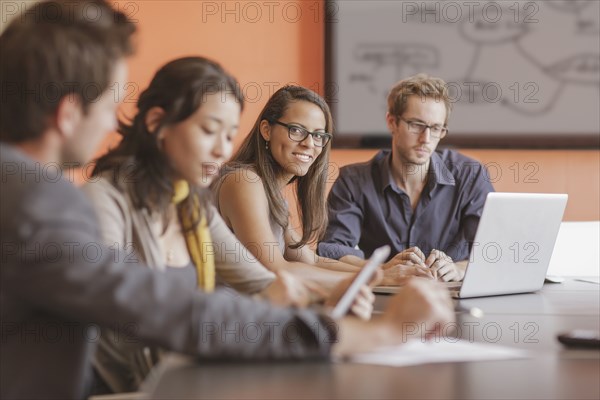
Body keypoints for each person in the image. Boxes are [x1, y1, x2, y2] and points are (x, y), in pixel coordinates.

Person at [0, 2, 454, 399]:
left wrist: (327, 296)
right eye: (106, 105)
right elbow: (161, 310)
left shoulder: (182, 203)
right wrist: (371, 332)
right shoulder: (42, 202)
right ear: (67, 113)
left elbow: (263, 281)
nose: (110, 123)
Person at [82, 56, 375, 393]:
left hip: (183, 377)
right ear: (156, 122)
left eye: (230, 134)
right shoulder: (103, 199)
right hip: (125, 388)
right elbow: (118, 304)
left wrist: (324, 297)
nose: (222, 150)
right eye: (209, 131)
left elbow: (263, 281)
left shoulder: (192, 206)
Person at [213, 86, 426, 288]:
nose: (309, 144)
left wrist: (381, 269)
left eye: (318, 135)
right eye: (296, 130)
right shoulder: (243, 182)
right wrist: (378, 278)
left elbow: (311, 260)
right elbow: (277, 270)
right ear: (267, 130)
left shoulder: (273, 195)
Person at [317, 74, 495, 282]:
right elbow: (332, 250)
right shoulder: (353, 181)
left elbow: (491, 249)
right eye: (416, 125)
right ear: (392, 122)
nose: (425, 139)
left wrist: (460, 269)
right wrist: (383, 269)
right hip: (384, 297)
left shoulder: (471, 176)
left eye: (436, 128)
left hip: (450, 298)